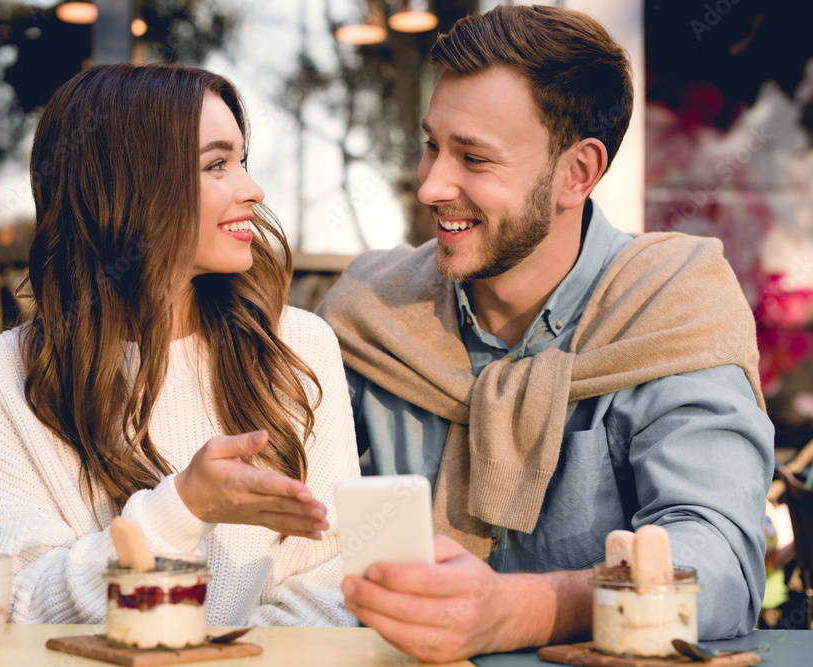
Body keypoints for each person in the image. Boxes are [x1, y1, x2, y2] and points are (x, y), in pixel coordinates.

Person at [317, 5, 774, 662]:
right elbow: (283, 535)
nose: (431, 184)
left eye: (473, 157)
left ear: (577, 173)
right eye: (431, 146)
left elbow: (720, 567)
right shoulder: (370, 310)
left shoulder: (672, 301)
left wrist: (518, 611)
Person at [0, 63, 360, 627]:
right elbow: (17, 601)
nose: (252, 189)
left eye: (242, 161)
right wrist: (181, 510)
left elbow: (337, 577)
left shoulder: (297, 346)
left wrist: (212, 659)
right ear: (128, 186)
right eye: (217, 165)